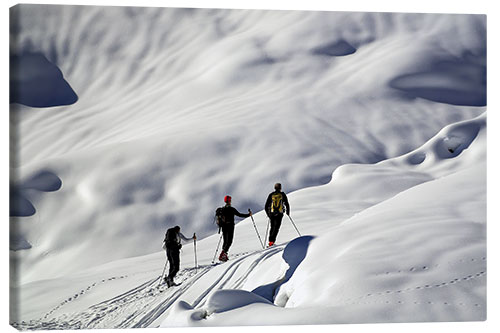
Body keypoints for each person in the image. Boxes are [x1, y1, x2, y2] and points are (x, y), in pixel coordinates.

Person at [215, 195, 251, 261]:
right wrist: (248, 215)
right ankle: (223, 254)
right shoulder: (231, 209)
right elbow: (240, 215)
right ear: (229, 201)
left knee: (225, 241)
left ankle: (224, 255)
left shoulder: (222, 209)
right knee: (230, 241)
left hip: (224, 227)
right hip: (230, 226)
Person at [264, 183, 290, 247]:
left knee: (272, 227)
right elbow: (286, 203)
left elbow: (266, 206)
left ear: (274, 188)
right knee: (276, 228)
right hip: (279, 213)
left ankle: (270, 242)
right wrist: (288, 212)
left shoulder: (271, 195)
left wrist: (268, 214)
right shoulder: (282, 194)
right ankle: (272, 242)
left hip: (272, 214)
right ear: (280, 188)